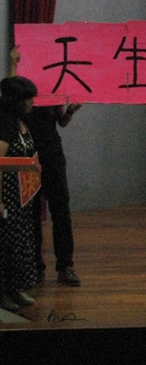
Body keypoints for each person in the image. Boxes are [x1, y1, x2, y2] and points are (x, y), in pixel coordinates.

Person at [9, 45, 82, 286]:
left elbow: (62, 122)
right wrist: (13, 63)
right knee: (30, 211)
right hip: (27, 154)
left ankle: (65, 266)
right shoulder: (23, 86)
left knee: (61, 209)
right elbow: (10, 97)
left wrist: (71, 110)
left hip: (52, 153)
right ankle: (35, 265)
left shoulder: (54, 83)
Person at [0, 76, 40, 311]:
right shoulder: (5, 126)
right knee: (5, 246)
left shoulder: (20, 123)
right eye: (28, 98)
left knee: (19, 243)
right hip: (8, 195)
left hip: (22, 195)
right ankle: (2, 293)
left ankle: (15, 288)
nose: (32, 102)